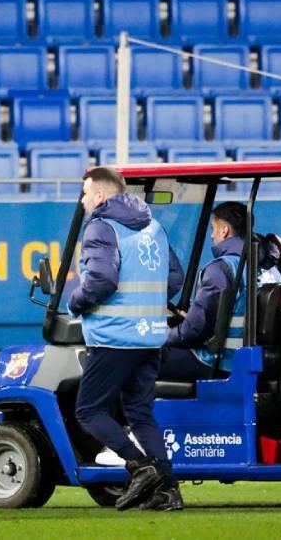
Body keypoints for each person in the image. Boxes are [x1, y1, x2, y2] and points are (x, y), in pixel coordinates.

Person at [67, 167, 185, 512]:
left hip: (113, 337)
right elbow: (174, 277)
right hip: (149, 338)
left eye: (86, 193)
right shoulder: (154, 227)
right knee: (141, 416)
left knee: (88, 411)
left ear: (101, 196)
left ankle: (139, 467)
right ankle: (168, 492)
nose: (84, 200)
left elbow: (101, 279)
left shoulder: (101, 227)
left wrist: (75, 301)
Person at [158, 202, 249, 383]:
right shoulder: (262, 267)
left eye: (214, 228)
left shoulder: (221, 269)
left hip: (216, 361)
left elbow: (194, 331)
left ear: (224, 230)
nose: (212, 235)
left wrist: (163, 335)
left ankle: (130, 412)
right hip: (241, 360)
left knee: (136, 360)